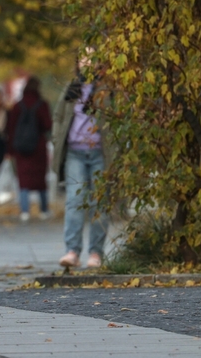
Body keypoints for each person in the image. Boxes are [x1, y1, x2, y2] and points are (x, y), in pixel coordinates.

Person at [52, 56, 114, 269]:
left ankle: (96, 253)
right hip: (75, 153)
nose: (88, 63)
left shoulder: (108, 89)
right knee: (74, 202)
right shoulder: (72, 87)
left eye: (93, 58)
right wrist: (56, 137)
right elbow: (58, 117)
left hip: (100, 153)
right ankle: (72, 252)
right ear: (77, 63)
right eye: (83, 58)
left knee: (100, 204)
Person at [6, 76, 52, 223]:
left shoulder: (17, 106)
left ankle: (24, 211)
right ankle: (43, 209)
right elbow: (47, 125)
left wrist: (10, 150)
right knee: (40, 181)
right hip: (38, 147)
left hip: (21, 149)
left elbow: (11, 129)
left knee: (23, 180)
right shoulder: (42, 105)